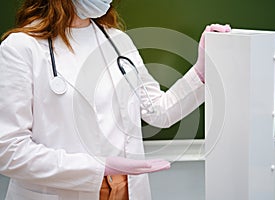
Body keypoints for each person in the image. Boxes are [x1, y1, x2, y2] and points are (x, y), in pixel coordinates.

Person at [0, 0, 231, 199]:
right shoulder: (21, 48)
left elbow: (158, 111)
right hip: (61, 191)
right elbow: (9, 150)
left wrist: (201, 71)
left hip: (127, 190)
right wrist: (99, 167)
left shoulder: (117, 41)